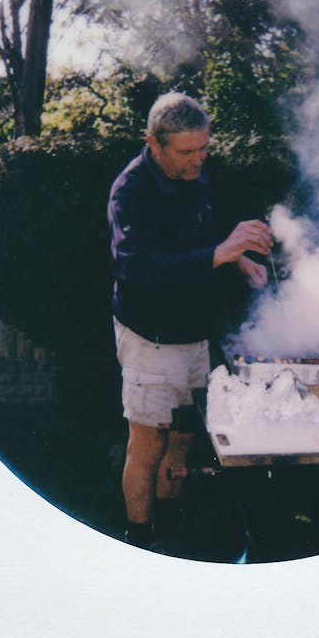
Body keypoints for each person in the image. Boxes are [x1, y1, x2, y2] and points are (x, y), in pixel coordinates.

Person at [107, 92, 272, 550]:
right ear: (153, 143)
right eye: (186, 152)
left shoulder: (193, 176)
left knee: (181, 439)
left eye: (204, 149)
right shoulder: (131, 192)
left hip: (194, 332)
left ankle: (170, 528)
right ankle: (137, 539)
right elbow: (140, 269)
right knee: (147, 445)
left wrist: (240, 261)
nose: (199, 160)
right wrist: (221, 253)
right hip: (151, 338)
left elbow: (202, 237)